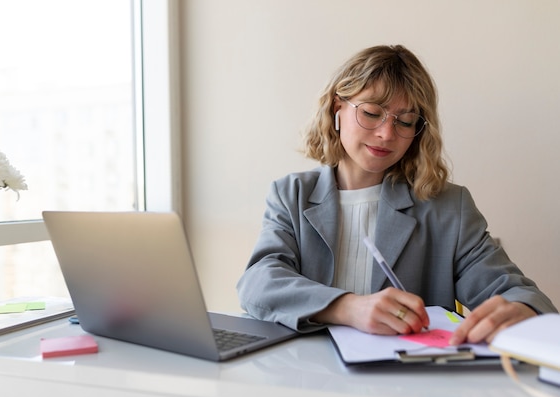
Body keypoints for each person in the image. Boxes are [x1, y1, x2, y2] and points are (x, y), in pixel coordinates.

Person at [236, 44, 557, 345]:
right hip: (306, 376)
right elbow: (258, 283)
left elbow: (518, 293)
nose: (386, 134)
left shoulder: (448, 208)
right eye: (372, 113)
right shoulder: (292, 194)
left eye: (405, 121)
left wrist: (525, 311)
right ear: (337, 108)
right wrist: (348, 308)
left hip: (406, 387)